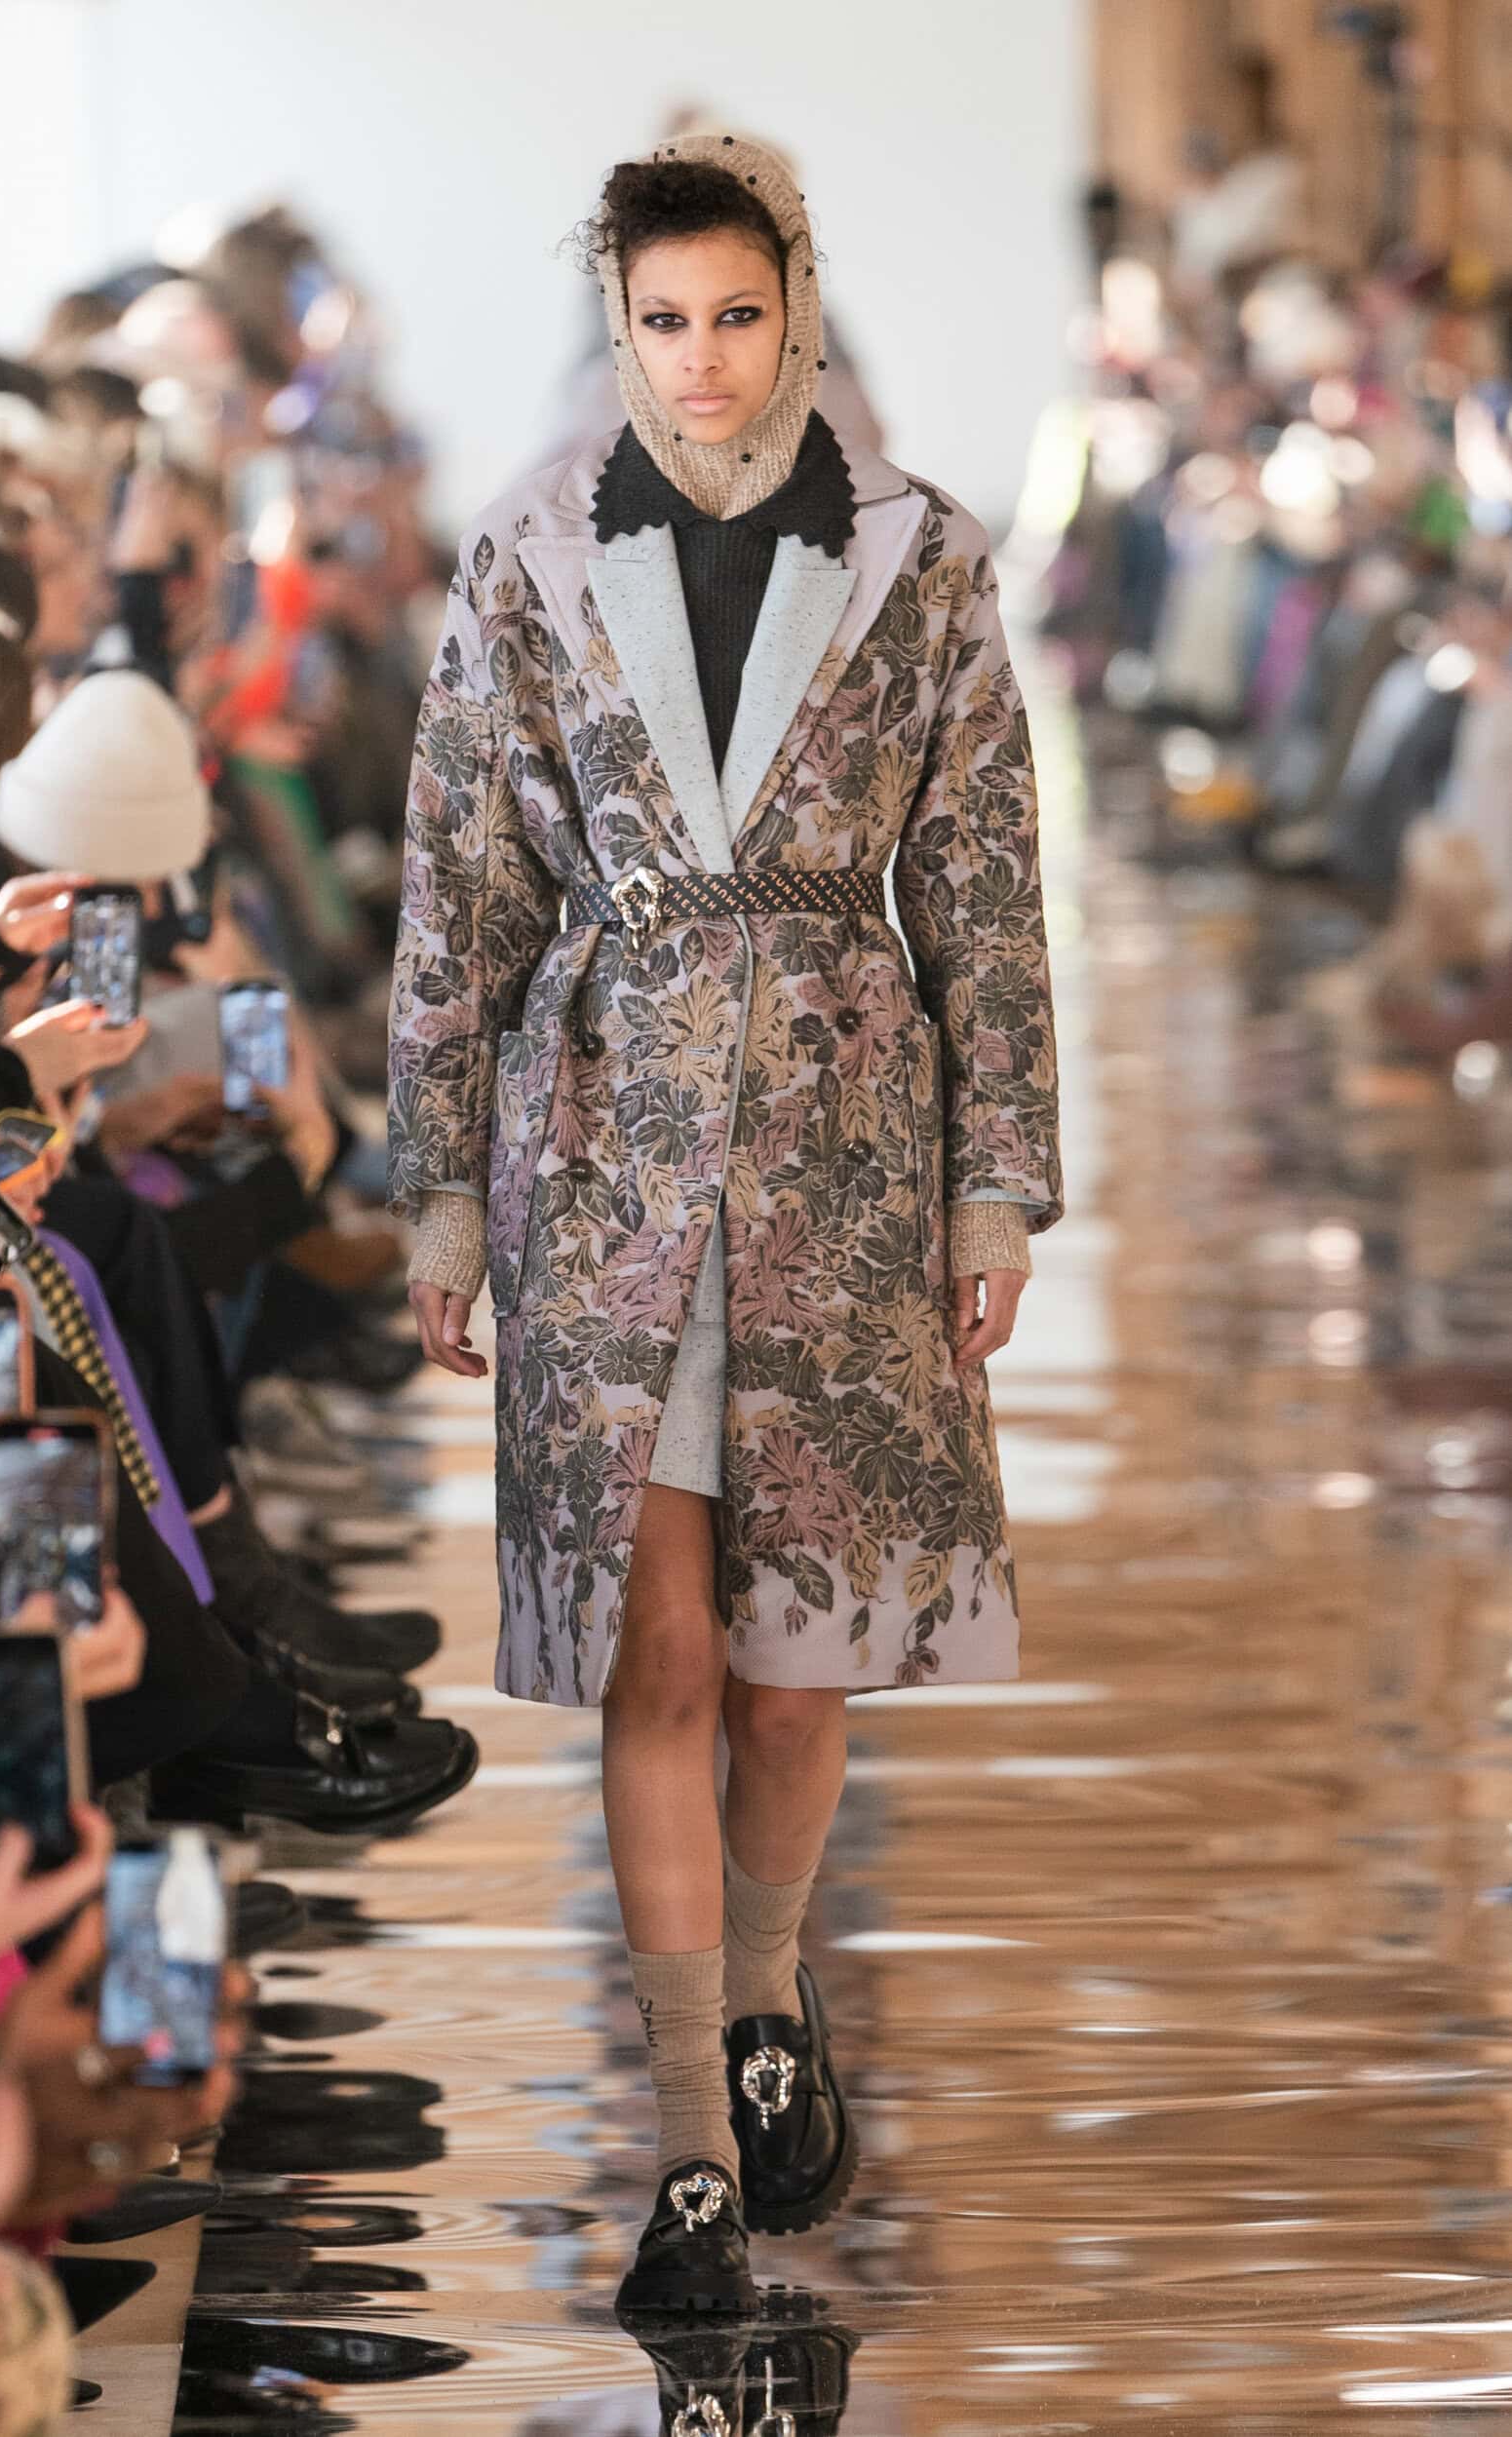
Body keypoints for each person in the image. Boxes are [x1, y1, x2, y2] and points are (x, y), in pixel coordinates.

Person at [390, 132, 1063, 2316]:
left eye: (738, 315)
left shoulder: (920, 558)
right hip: (599, 1152)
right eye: (664, 319)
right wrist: (437, 1197)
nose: (701, 358)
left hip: (844, 1162)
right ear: (618, 323)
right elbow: (461, 882)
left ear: (800, 311)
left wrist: (994, 1180)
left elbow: (984, 882)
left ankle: (771, 1991)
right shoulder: (525, 560)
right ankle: (690, 2139)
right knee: (658, 1650)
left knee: (796, 1661)